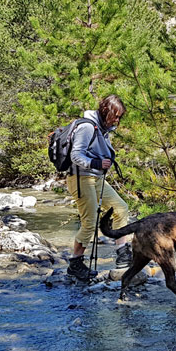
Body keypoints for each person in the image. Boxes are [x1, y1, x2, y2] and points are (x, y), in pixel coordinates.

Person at [65, 94, 132, 281]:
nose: (117, 120)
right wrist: (96, 163)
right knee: (90, 222)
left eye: (120, 117)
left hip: (96, 178)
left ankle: (123, 256)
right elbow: (75, 155)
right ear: (106, 111)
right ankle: (75, 263)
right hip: (80, 178)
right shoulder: (87, 127)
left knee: (120, 208)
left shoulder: (103, 129)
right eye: (115, 116)